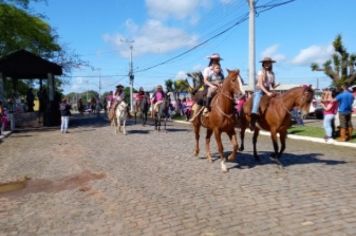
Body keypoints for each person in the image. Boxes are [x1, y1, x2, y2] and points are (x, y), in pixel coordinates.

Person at [250, 56, 280, 130]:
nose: (267, 64)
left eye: (268, 63)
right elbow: (260, 84)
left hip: (268, 90)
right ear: (263, 64)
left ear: (271, 64)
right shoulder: (261, 72)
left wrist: (276, 85)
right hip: (259, 90)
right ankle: (252, 121)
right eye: (265, 63)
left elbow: (272, 85)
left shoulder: (272, 73)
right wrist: (267, 93)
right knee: (256, 102)